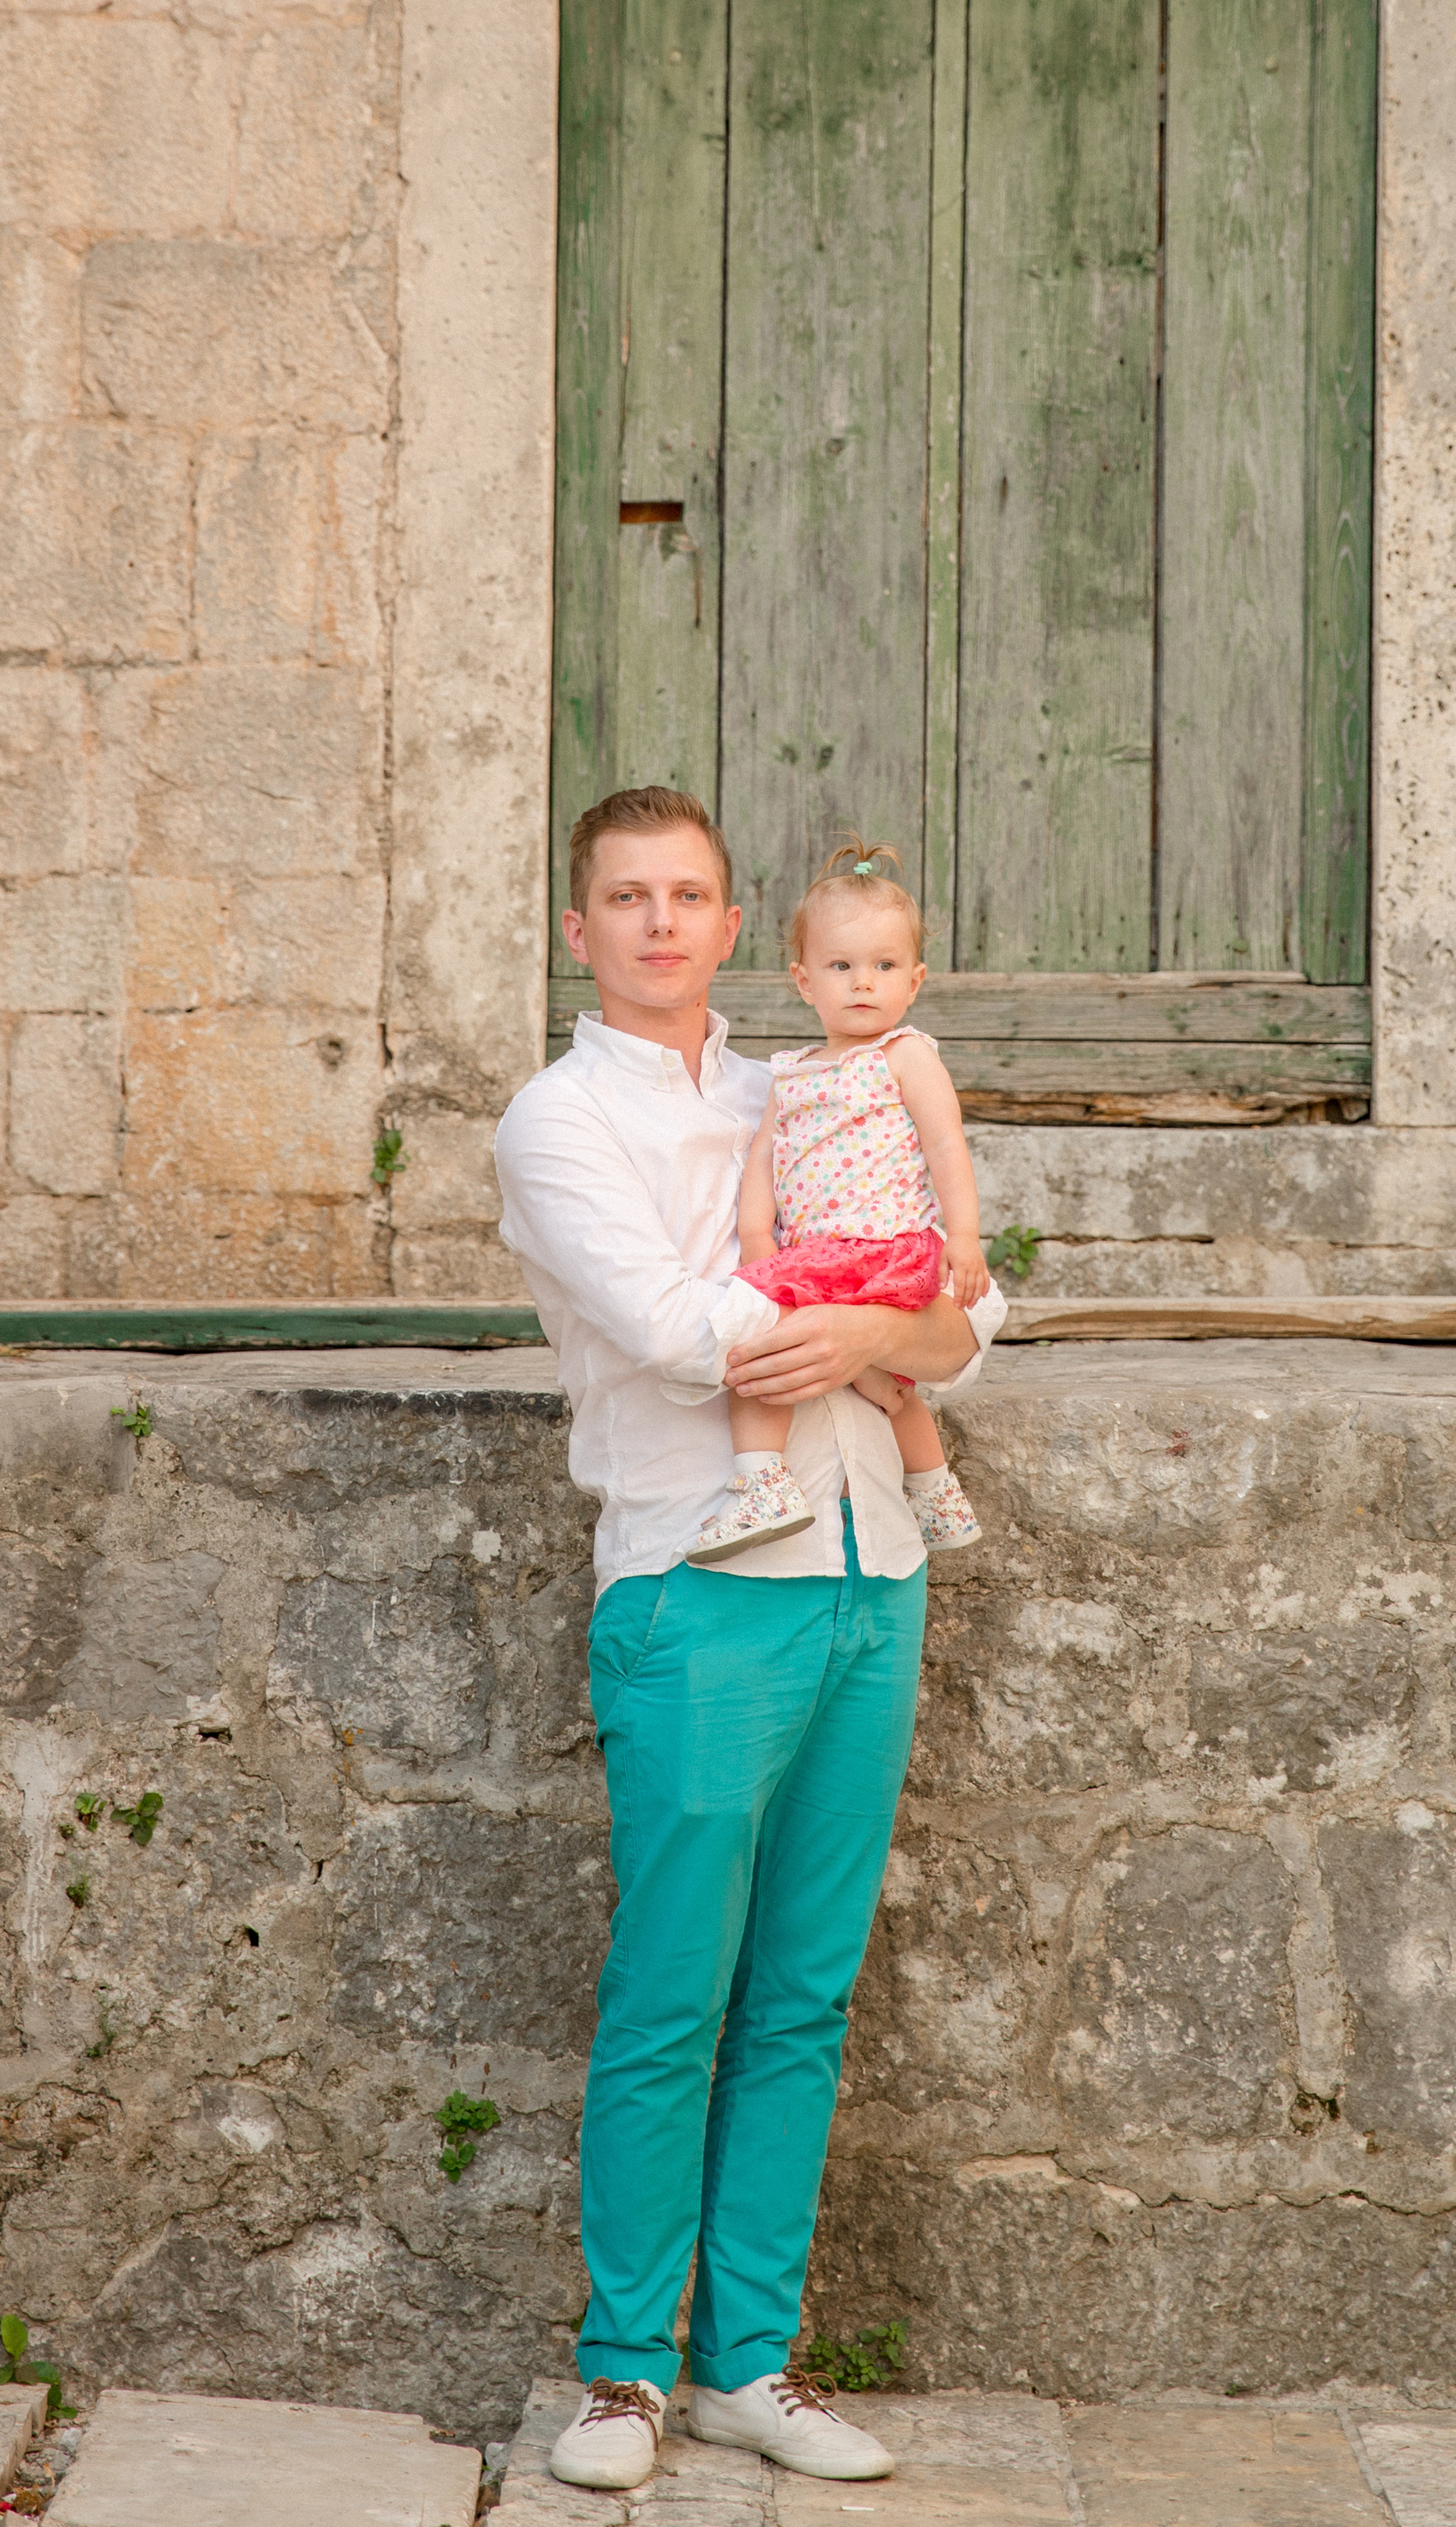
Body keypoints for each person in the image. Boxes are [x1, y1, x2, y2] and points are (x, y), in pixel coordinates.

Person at [493, 785, 1006, 2494]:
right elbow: (674, 1329)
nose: (658, 922)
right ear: (582, 931)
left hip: (874, 1577)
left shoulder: (820, 1074)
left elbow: (976, 1324)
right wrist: (887, 1317)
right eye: (625, 898)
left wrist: (904, 1321)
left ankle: (750, 2364)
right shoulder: (561, 1122)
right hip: (699, 1593)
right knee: (671, 1996)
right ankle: (624, 2372)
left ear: (735, 927)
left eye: (689, 895)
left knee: (802, 1997)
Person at [691, 843, 984, 1566]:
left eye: (884, 967)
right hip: (813, 1255)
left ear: (914, 981)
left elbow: (947, 1146)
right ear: (803, 980)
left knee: (809, 1361)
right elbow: (765, 1156)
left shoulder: (906, 1055)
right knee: (824, 1358)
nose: (863, 984)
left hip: (886, 1246)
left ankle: (933, 1487)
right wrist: (758, 1241)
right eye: (841, 966)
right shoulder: (788, 1073)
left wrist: (966, 1238)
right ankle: (768, 1483)